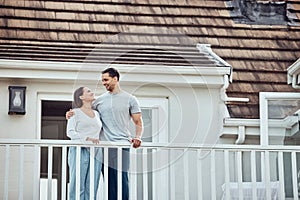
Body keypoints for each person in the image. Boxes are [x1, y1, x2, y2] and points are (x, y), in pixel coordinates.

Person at [66, 67, 143, 200]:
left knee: (122, 182)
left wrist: (137, 137)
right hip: (104, 147)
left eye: (106, 79)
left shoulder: (130, 99)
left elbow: (138, 122)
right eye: (102, 80)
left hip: (121, 145)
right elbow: (86, 112)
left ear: (115, 78)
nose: (104, 83)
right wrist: (70, 114)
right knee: (104, 183)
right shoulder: (99, 101)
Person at [67, 86, 103, 200]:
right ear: (81, 97)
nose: (92, 92)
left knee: (92, 186)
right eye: (88, 91)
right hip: (79, 150)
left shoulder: (97, 114)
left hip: (96, 152)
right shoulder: (74, 113)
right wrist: (87, 139)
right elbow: (70, 132)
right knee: (77, 184)